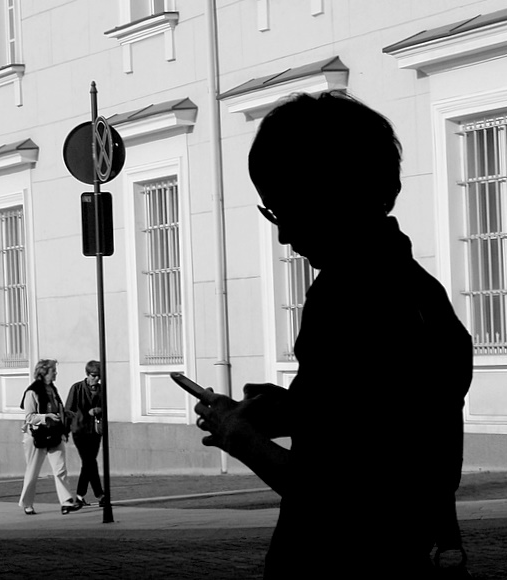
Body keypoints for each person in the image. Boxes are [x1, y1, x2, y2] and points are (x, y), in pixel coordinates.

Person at [194, 91, 473, 579]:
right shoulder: (421, 291)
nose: (283, 235)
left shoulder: (347, 295)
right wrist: (294, 409)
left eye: (282, 209)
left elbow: (336, 492)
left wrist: (240, 438)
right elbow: (387, 425)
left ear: (326, 196)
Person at [18, 359, 82, 515]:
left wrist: (65, 415)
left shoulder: (52, 390)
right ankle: (27, 503)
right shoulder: (32, 391)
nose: (56, 373)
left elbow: (56, 410)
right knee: (32, 471)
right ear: (44, 372)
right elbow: (29, 417)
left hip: (54, 434)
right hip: (36, 436)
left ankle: (66, 502)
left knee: (60, 469)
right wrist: (45, 417)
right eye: (53, 370)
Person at [65, 360, 106, 507]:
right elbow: (68, 410)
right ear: (87, 374)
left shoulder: (101, 389)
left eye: (99, 376)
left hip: (95, 430)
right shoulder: (77, 388)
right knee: (89, 462)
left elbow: (106, 407)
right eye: (94, 375)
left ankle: (84, 496)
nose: (96, 378)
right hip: (80, 430)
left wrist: (99, 410)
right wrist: (66, 430)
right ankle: (96, 495)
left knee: (89, 463)